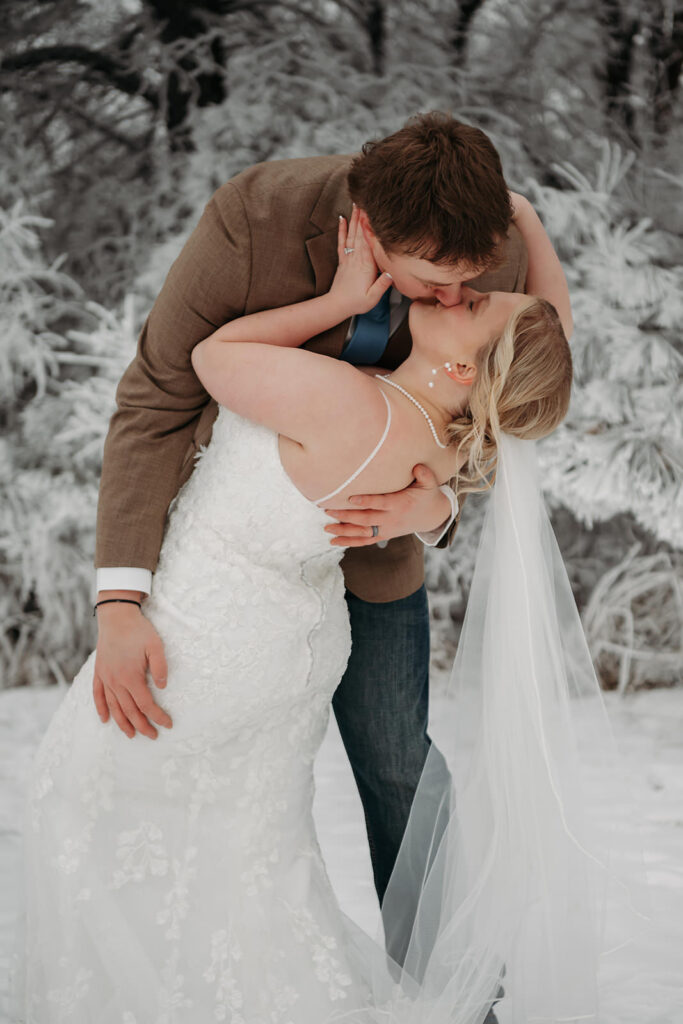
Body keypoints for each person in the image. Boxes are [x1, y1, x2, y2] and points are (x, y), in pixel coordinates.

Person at [9, 183, 578, 1022]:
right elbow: (548, 334)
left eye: (476, 297)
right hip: (298, 641)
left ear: (466, 365)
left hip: (223, 632)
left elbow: (211, 361)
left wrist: (340, 301)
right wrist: (526, 216)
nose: (459, 291)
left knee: (90, 812)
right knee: (250, 851)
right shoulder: (446, 428)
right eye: (453, 279)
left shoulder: (352, 400)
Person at [91, 113, 532, 922]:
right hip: (228, 576)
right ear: (368, 226)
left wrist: (434, 505)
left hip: (372, 563)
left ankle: (451, 1002)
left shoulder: (481, 246)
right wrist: (120, 599)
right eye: (432, 280)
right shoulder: (254, 216)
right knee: (196, 791)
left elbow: (513, 406)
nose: (455, 297)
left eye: (468, 282)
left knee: (400, 769)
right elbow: (157, 395)